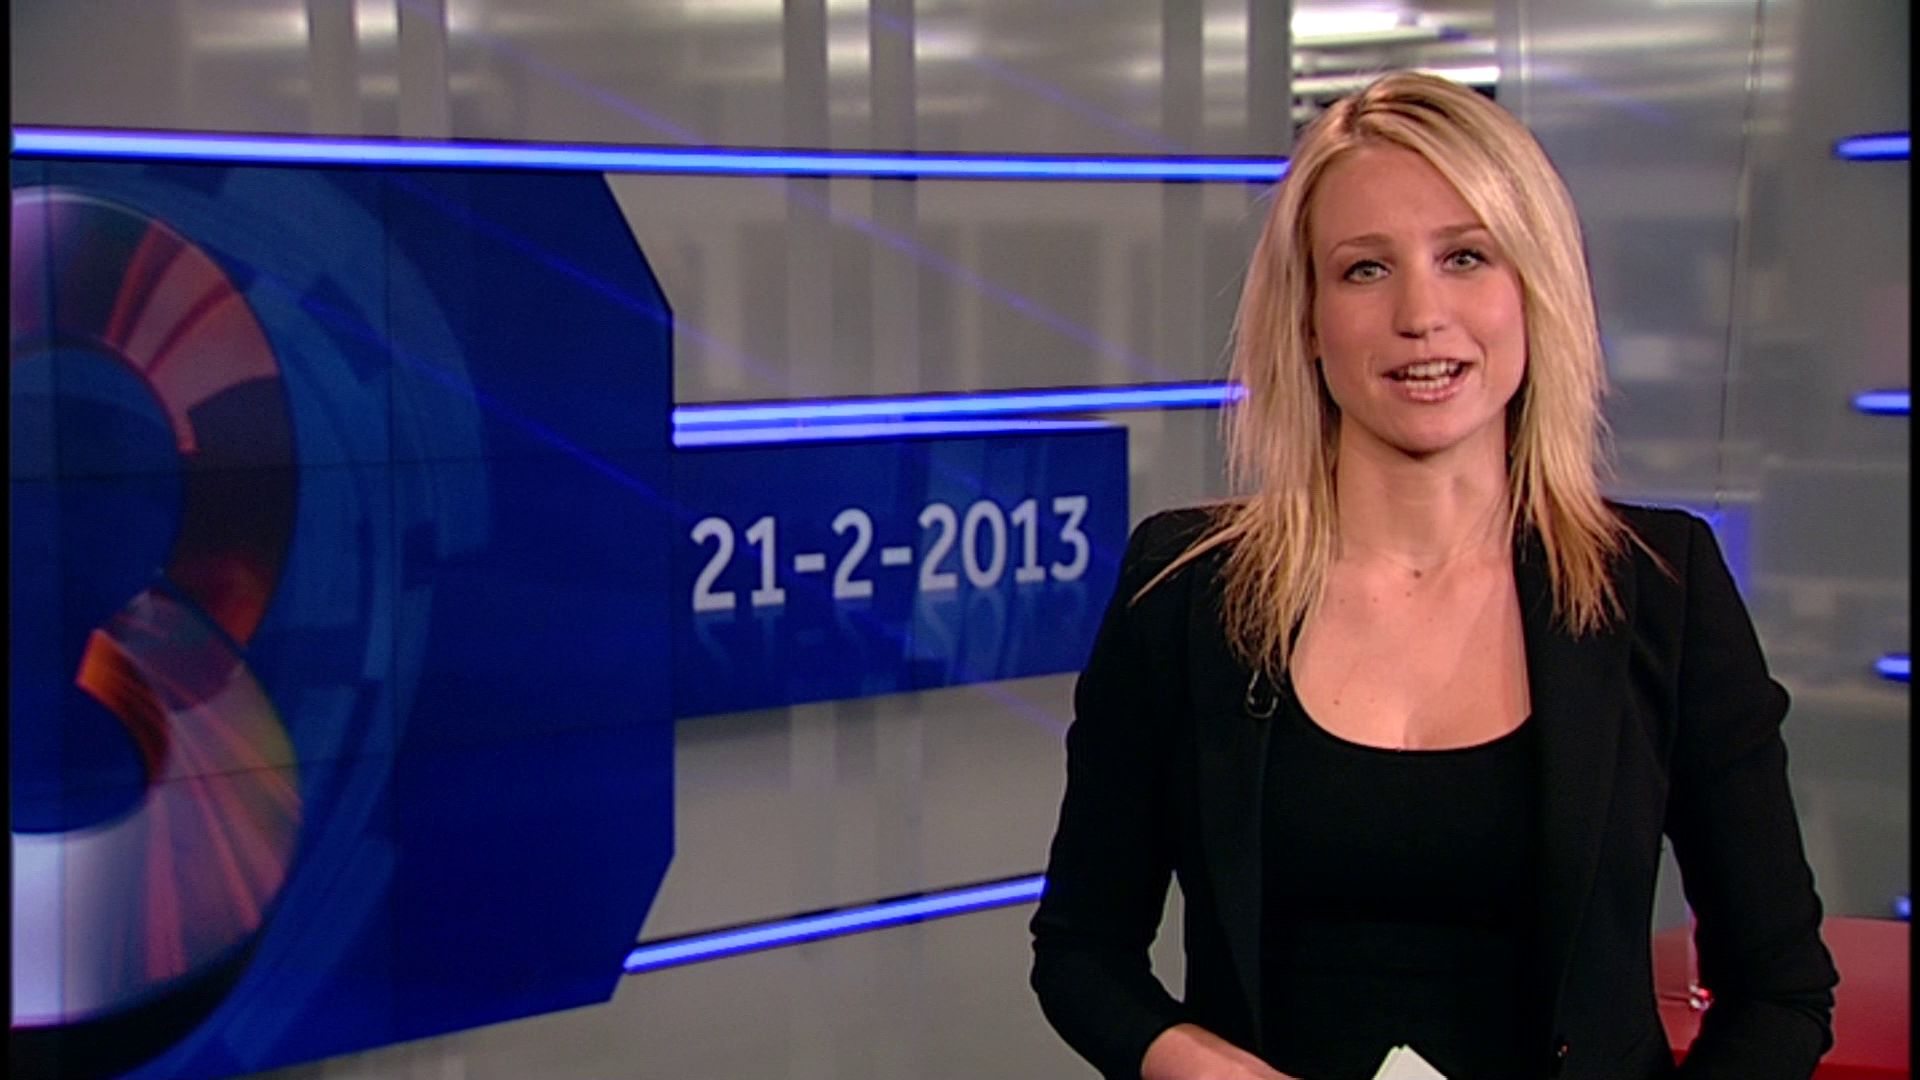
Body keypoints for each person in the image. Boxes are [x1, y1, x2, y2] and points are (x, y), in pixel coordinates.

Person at [1029, 71, 1836, 1080]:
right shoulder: (1186, 588)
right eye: (1366, 269)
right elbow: (1083, 953)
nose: (1421, 313)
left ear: (1533, 289)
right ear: (1308, 319)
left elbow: (1781, 993)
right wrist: (1200, 1066)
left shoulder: (1660, 588)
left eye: (1465, 257)